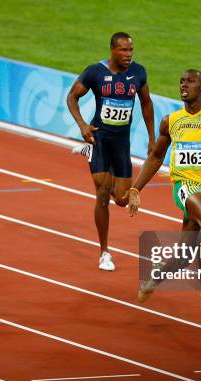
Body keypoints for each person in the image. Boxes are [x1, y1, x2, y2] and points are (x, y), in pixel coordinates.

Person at [126, 69, 201, 314]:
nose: (184, 85)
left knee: (185, 254)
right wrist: (135, 187)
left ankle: (156, 277)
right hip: (185, 185)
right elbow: (157, 156)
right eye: (181, 81)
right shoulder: (171, 121)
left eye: (190, 82)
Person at [66, 32, 155, 271]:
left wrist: (152, 137)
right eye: (124, 50)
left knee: (122, 200)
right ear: (113, 50)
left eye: (131, 51)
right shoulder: (95, 72)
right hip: (100, 140)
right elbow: (72, 97)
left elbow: (147, 103)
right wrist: (83, 125)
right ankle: (104, 252)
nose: (128, 55)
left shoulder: (139, 72)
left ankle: (87, 153)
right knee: (103, 195)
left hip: (122, 143)